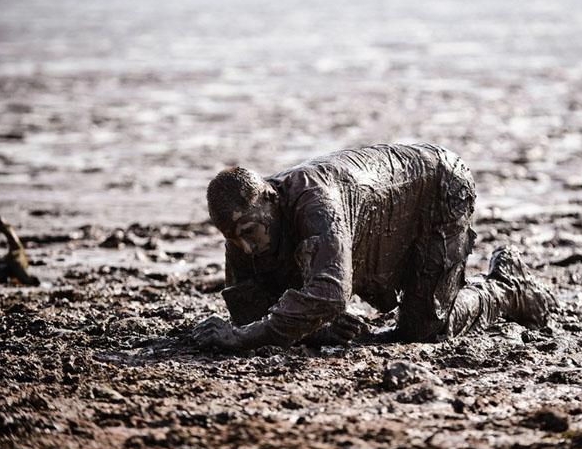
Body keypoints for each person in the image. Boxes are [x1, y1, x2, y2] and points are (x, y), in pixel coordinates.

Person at [191, 143, 555, 351]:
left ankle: (508, 289)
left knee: (425, 329)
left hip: (437, 184)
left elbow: (329, 294)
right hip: (381, 207)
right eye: (232, 239)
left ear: (270, 199)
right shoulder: (242, 222)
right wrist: (314, 327)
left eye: (250, 232)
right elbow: (248, 305)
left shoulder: (315, 202)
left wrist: (241, 339)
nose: (246, 248)